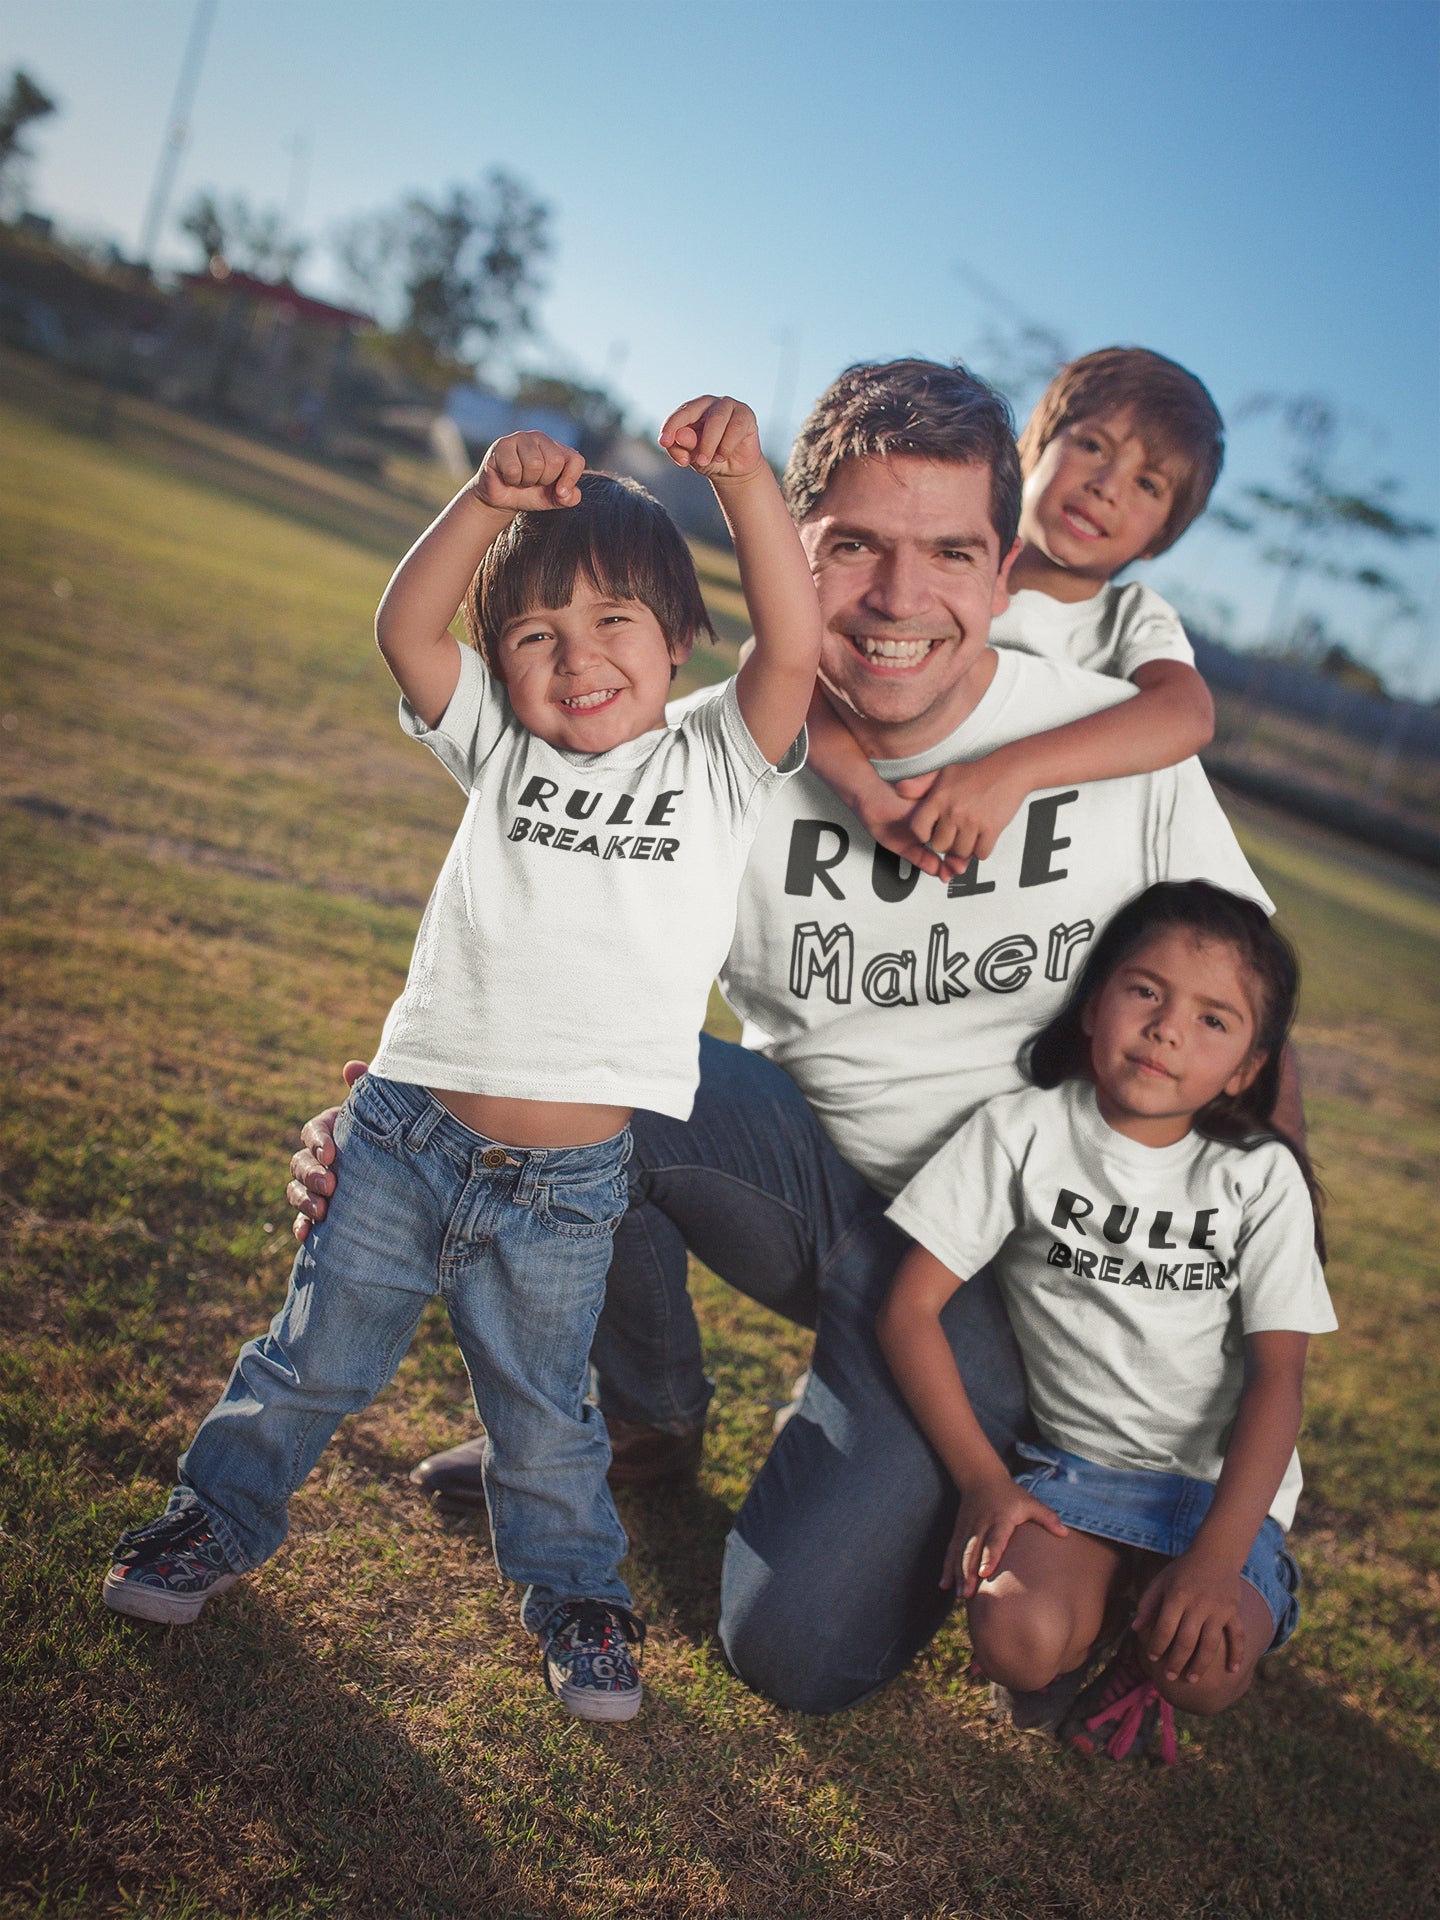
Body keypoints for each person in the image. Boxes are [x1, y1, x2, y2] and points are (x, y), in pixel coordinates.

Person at [290, 358, 1298, 1715]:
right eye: (853, 550)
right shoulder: (695, 758)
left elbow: (1258, 1058)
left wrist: (1239, 1337)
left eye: (947, 552)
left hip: (1005, 1278)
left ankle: (997, 1483)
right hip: (819, 1185)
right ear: (788, 552)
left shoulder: (1117, 753)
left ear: (1004, 572)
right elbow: (535, 973)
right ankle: (639, 1417)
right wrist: (390, 1119)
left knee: (793, 1649)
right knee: (611, 1084)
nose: (896, 599)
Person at [102, 396, 819, 1724]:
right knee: (310, 1359)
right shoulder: (500, 743)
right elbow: (403, 629)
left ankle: (576, 1601)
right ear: (501, 660)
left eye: (614, 624)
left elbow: (795, 643)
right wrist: (486, 497)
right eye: (536, 635)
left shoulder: (716, 761)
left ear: (680, 641)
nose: (577, 658)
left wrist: (749, 491)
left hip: (566, 1185)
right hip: (403, 1137)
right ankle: (211, 1519)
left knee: (546, 1418)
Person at [879, 880, 1333, 1762]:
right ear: (1094, 1004)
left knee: (1203, 1672)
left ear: (1246, 1069)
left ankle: (1151, 1626)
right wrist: (983, 1480)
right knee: (1019, 1643)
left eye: (1214, 1019)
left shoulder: (1259, 1177)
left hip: (1216, 1494)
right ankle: (1101, 1604)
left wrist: (1214, 1558)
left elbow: (1280, 1379)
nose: (1167, 1027)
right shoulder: (1022, 1131)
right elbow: (908, 1311)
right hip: (1079, 1476)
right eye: (1146, 990)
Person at [804, 347, 1221, 880]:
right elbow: (782, 667)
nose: (1107, 486)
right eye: (1093, 446)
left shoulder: (1129, 618)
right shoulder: (934, 587)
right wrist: (868, 797)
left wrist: (1009, 773)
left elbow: (1188, 715)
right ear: (1034, 447)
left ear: (1160, 539)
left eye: (1148, 484)